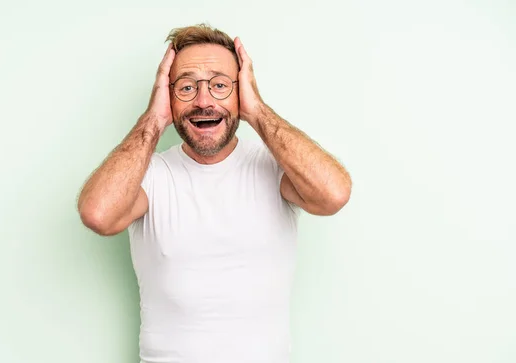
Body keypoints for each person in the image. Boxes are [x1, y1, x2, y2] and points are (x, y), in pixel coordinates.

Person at [77, 24, 352, 363]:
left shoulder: (274, 167)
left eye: (220, 86)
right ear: (167, 95)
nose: (203, 101)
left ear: (241, 92)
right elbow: (98, 214)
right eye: (187, 87)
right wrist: (153, 118)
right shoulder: (148, 176)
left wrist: (257, 110)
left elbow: (334, 194)